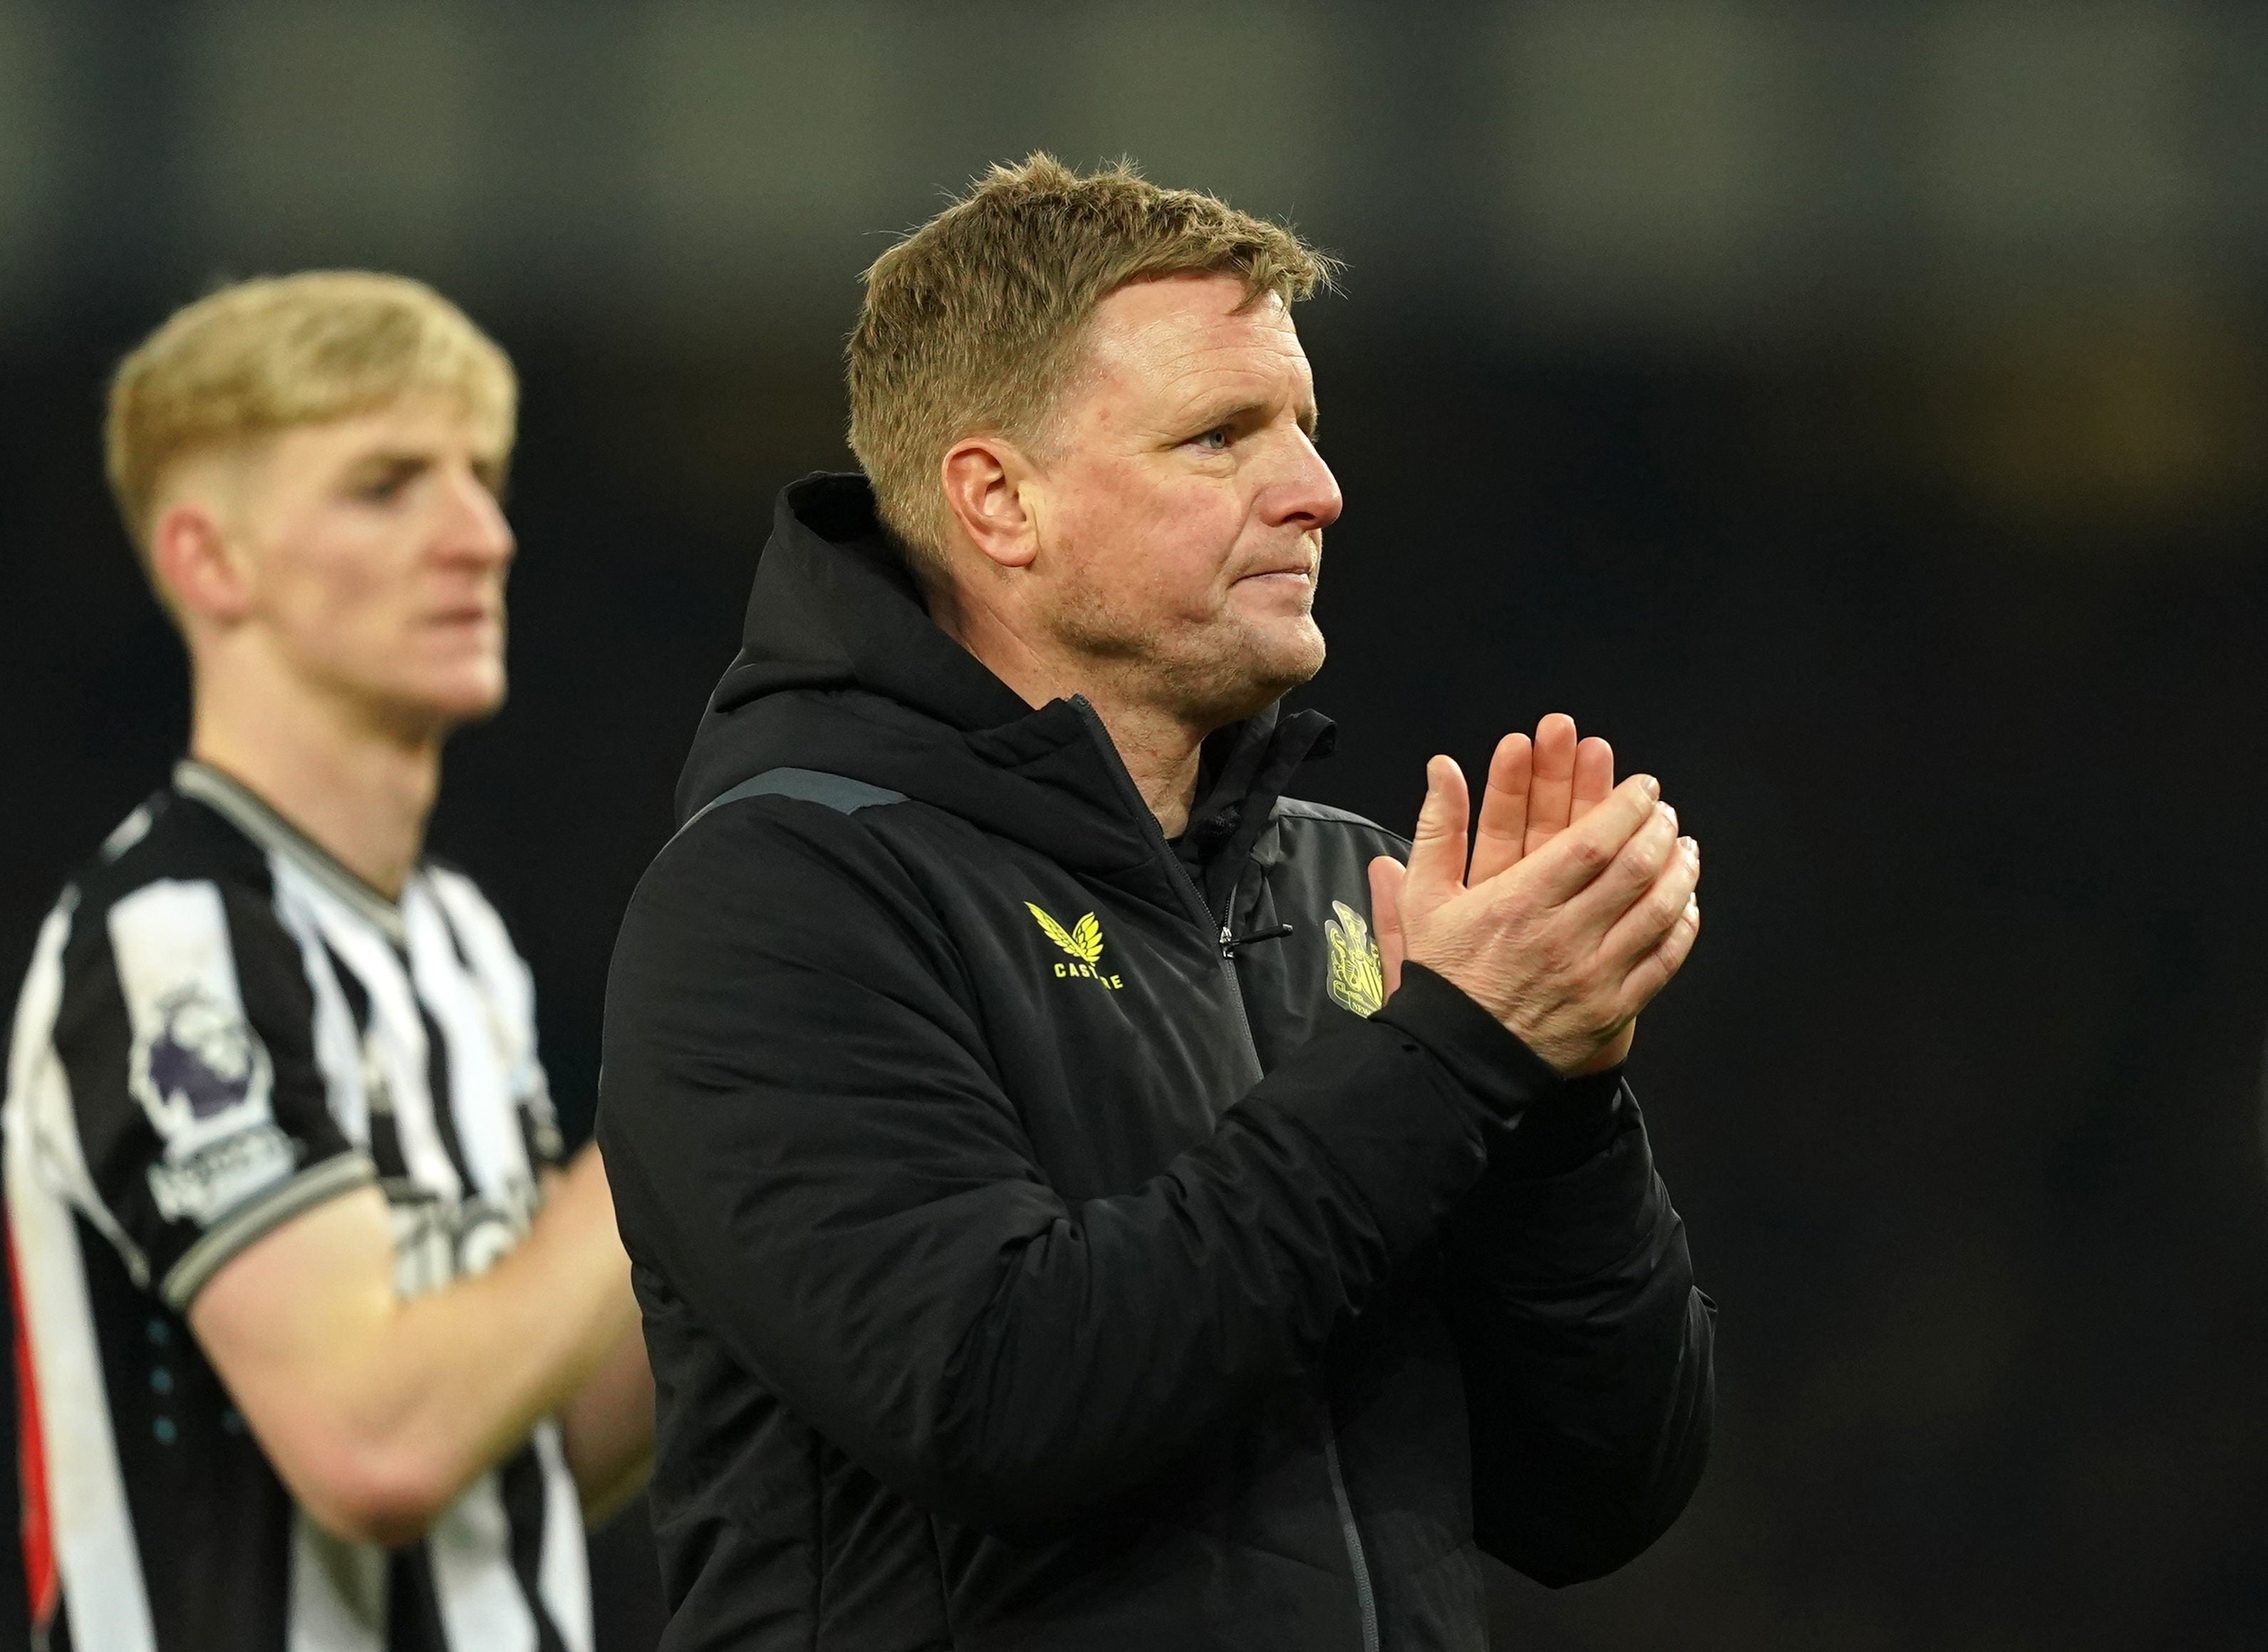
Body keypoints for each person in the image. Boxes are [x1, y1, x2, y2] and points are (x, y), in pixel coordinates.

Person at [599, 155, 1714, 1651]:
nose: (1314, 489)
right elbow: (1001, 1396)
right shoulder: (785, 894)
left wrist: (1561, 1097)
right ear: (998, 500)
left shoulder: (1345, 881)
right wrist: (1451, 1051)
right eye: (1218, 436)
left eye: (1303, 428)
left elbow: (1592, 1494)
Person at [4, 272, 652, 1652]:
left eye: (479, 476)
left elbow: (535, 1444)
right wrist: (691, 1112)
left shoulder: (454, 939)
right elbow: (379, 1445)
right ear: (208, 561)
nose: (478, 534)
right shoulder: (175, 941)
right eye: (385, 484)